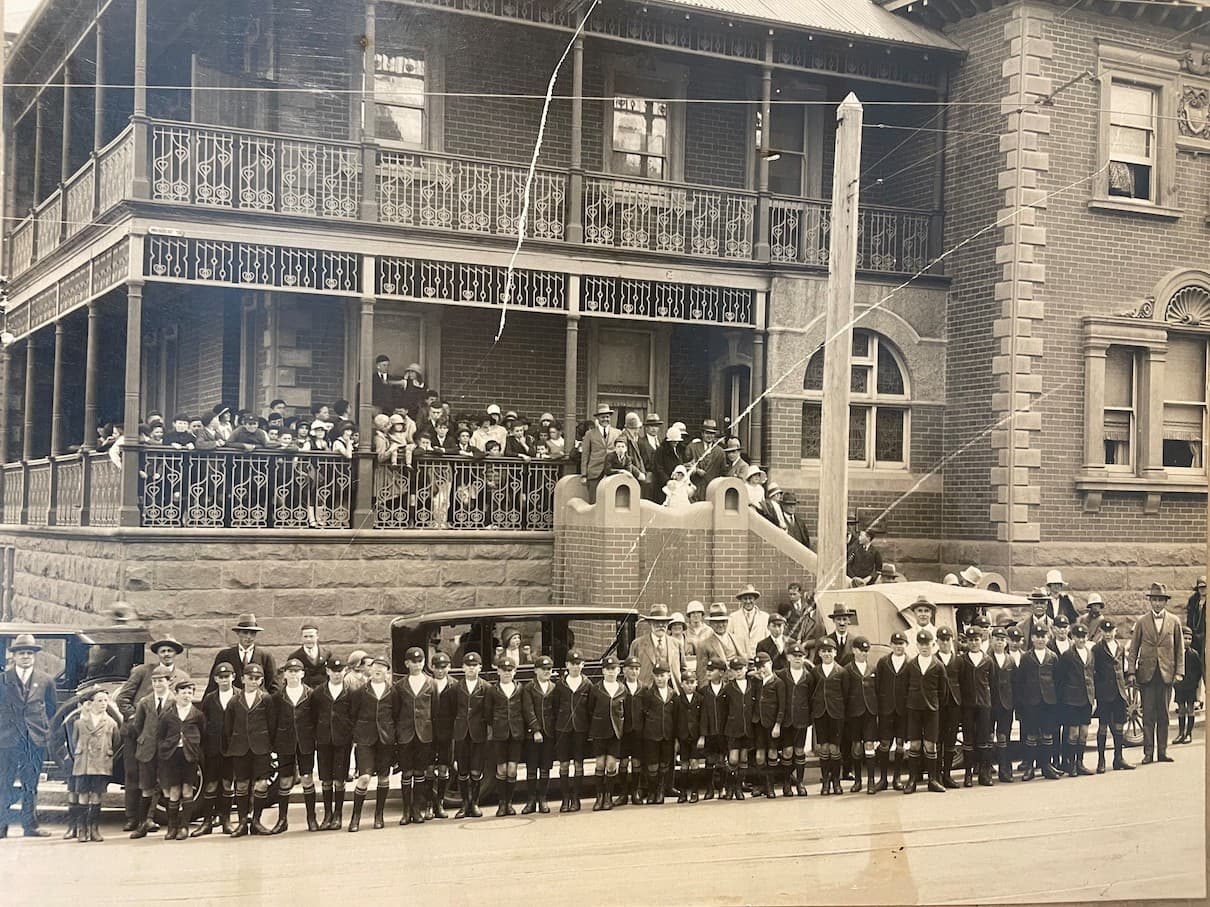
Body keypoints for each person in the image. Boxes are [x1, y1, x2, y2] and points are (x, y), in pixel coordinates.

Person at [115, 634, 189, 831]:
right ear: (157, 653)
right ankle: (132, 818)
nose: (166, 654)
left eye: (170, 651)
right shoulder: (142, 672)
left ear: (175, 654)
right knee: (134, 776)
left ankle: (149, 818)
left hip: (164, 738)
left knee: (160, 777)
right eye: (162, 651)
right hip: (137, 734)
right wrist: (136, 720)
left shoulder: (182, 677)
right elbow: (122, 698)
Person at [1130, 582, 1185, 764]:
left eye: (1160, 600)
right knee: (1148, 715)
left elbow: (1179, 649)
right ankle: (1148, 753)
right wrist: (1131, 672)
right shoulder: (1142, 621)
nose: (1157, 604)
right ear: (1150, 601)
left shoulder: (1174, 622)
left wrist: (1179, 672)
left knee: (1164, 715)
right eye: (1154, 600)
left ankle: (1162, 751)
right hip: (1146, 674)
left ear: (1165, 602)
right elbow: (1133, 648)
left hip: (1166, 674)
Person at [347, 657, 396, 832]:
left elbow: (395, 715)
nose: (378, 670)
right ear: (370, 669)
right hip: (365, 740)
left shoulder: (393, 692)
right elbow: (352, 715)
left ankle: (379, 816)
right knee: (364, 778)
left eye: (383, 668)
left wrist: (391, 735)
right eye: (375, 667)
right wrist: (358, 734)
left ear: (387, 672)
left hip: (385, 739)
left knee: (383, 778)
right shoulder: (359, 692)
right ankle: (355, 818)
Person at [270, 659, 318, 833]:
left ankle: (311, 818)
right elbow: (273, 722)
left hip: (305, 742)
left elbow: (315, 718)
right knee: (285, 780)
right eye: (290, 672)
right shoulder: (278, 697)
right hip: (285, 742)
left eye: (297, 671)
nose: (293, 675)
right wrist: (274, 743)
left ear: (302, 674)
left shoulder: (311, 694)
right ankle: (282, 820)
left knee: (307, 778)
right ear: (285, 674)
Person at [68, 686, 121, 843]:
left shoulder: (111, 723)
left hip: (101, 765)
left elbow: (116, 742)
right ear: (90, 703)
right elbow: (74, 742)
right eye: (99, 701)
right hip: (83, 764)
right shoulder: (79, 723)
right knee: (83, 795)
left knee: (97, 796)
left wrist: (106, 754)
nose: (103, 704)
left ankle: (94, 830)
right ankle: (82, 829)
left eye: (106, 700)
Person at [127, 664, 174, 839]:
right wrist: (146, 740)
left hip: (167, 752)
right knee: (146, 788)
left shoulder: (174, 701)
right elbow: (138, 726)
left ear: (169, 682)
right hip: (147, 751)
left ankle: (172, 827)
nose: (157, 684)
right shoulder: (145, 702)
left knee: (168, 789)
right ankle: (143, 824)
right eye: (154, 681)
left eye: (161, 681)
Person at [156, 678, 205, 841]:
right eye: (183, 692)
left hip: (189, 756)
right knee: (174, 791)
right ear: (176, 694)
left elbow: (203, 734)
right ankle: (172, 827)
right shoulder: (168, 715)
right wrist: (165, 748)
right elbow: (160, 734)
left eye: (190, 693)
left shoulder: (197, 714)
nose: (186, 696)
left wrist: (195, 748)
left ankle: (184, 826)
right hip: (173, 756)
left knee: (187, 790)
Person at [394, 647, 438, 825]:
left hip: (424, 734)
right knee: (406, 773)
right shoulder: (400, 685)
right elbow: (396, 712)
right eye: (414, 662)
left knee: (420, 772)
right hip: (405, 734)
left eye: (420, 661)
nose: (417, 665)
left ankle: (416, 810)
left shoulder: (431, 683)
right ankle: (405, 812)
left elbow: (435, 710)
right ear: (407, 664)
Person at [194, 664, 237, 837]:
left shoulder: (239, 696)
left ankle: (226, 820)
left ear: (233, 677)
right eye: (221, 677)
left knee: (228, 784)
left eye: (227, 676)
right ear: (216, 679)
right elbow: (203, 724)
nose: (224, 680)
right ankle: (207, 822)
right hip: (212, 749)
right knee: (210, 785)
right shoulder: (210, 699)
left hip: (233, 749)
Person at [313, 657, 354, 830]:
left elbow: (354, 715)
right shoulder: (319, 692)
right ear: (327, 671)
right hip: (324, 740)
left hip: (342, 741)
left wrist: (349, 735)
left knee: (339, 779)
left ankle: (338, 815)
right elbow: (313, 716)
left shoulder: (351, 692)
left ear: (344, 671)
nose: (337, 674)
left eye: (340, 671)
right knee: (326, 780)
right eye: (334, 671)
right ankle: (328, 814)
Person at [903, 630, 946, 794]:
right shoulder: (911, 665)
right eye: (921, 644)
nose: (924, 647)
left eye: (927, 644)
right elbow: (905, 687)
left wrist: (935, 705)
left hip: (931, 709)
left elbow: (943, 691)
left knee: (930, 745)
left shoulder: (938, 665)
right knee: (914, 744)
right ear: (917, 646)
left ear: (932, 645)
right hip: (914, 708)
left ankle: (933, 780)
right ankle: (913, 779)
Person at [1017, 625, 1061, 781]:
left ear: (1047, 638)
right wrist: (1022, 704)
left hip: (1049, 702)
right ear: (1033, 638)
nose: (1041, 639)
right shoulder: (1026, 658)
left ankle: (1046, 766)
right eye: (1037, 636)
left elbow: (1057, 680)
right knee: (1031, 735)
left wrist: (1057, 702)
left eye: (1043, 636)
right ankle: (1029, 767)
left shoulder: (1053, 657)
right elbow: (1020, 681)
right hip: (1031, 702)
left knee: (1048, 734)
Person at [1055, 625, 1097, 777]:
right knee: (1072, 733)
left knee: (1084, 733)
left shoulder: (1090, 653)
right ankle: (1070, 764)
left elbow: (1092, 676)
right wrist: (1063, 700)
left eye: (1084, 636)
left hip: (1086, 698)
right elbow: (1060, 679)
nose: (1081, 639)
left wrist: (1094, 698)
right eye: (1078, 637)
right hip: (1071, 699)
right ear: (1072, 638)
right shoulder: (1067, 655)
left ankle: (1080, 763)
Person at [553, 650, 592, 812]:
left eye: (578, 664)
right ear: (566, 665)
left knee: (578, 763)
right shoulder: (560, 685)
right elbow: (555, 707)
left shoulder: (587, 684)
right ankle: (565, 798)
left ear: (583, 665)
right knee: (563, 764)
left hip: (580, 729)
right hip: (563, 728)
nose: (575, 667)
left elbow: (590, 708)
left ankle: (576, 798)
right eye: (572, 664)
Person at [452, 652, 490, 819]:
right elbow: (452, 710)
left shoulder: (486, 687)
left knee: (476, 771)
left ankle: (474, 803)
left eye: (474, 665)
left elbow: (488, 712)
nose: (471, 668)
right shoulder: (455, 688)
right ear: (463, 668)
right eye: (468, 665)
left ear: (480, 668)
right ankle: (464, 805)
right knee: (462, 771)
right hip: (461, 733)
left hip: (478, 733)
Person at [489, 657, 526, 816]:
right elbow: (487, 712)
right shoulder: (493, 690)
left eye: (510, 671)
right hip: (500, 733)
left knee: (512, 769)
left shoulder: (520, 689)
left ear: (515, 672)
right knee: (501, 769)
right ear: (498, 671)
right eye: (503, 671)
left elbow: (524, 709)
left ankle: (509, 803)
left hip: (516, 733)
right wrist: (496, 725)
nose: (507, 673)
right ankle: (501, 803)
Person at [811, 638, 848, 795]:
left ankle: (836, 781)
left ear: (835, 653)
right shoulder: (815, 672)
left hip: (836, 713)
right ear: (819, 653)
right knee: (824, 748)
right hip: (820, 713)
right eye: (824, 651)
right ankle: (825, 781)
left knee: (835, 748)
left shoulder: (842, 671)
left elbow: (845, 693)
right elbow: (811, 692)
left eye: (830, 651)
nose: (827, 654)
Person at [958, 628, 994, 787]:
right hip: (968, 705)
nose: (973, 643)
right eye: (971, 640)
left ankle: (984, 774)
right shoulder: (962, 660)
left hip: (984, 705)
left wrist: (987, 701)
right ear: (967, 642)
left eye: (976, 640)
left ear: (981, 640)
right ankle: (968, 774)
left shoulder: (988, 660)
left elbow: (991, 683)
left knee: (984, 740)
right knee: (968, 740)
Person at [206, 614, 278, 695]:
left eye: (252, 633)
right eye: (245, 632)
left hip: (257, 704)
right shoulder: (224, 655)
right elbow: (213, 684)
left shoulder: (265, 656)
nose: (249, 637)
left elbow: (273, 686)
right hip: (231, 703)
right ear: (238, 633)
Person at [777, 642, 814, 797]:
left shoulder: (808, 676)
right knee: (787, 751)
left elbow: (811, 698)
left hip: (801, 718)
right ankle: (786, 783)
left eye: (800, 656)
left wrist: (809, 718)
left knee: (799, 751)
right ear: (788, 657)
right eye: (794, 656)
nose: (798, 659)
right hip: (786, 719)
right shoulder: (781, 675)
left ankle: (800, 782)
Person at [589, 656, 626, 811]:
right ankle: (599, 797)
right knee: (600, 763)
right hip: (599, 731)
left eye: (614, 669)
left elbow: (624, 711)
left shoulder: (622, 689)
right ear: (603, 671)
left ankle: (608, 797)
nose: (611, 672)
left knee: (611, 764)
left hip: (615, 732)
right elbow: (590, 709)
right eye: (608, 669)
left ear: (618, 670)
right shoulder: (596, 688)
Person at [521, 655, 556, 814]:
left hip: (549, 733)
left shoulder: (554, 687)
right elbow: (528, 710)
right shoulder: (529, 688)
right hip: (533, 735)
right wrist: (535, 729)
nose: (546, 672)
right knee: (532, 767)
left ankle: (543, 798)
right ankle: (531, 800)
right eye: (543, 669)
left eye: (549, 669)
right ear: (536, 670)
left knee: (545, 767)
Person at [639, 662, 679, 804]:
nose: (660, 679)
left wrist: (675, 735)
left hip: (667, 734)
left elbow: (675, 716)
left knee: (664, 764)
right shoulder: (648, 694)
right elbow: (643, 713)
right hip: (651, 735)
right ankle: (652, 791)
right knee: (652, 765)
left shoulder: (673, 694)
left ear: (668, 676)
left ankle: (661, 790)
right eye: (657, 676)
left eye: (662, 676)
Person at [844, 636, 879, 794]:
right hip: (854, 714)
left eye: (866, 651)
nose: (864, 653)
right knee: (856, 747)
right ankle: (858, 781)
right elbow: (844, 694)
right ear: (854, 650)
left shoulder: (873, 669)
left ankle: (871, 781)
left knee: (869, 746)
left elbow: (877, 691)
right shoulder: (847, 670)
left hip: (870, 713)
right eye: (861, 650)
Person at [721, 655, 757, 801]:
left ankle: (738, 787)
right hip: (733, 728)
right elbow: (723, 709)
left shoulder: (752, 685)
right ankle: (729, 787)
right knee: (733, 759)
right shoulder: (729, 687)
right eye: (735, 670)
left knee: (743, 758)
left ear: (746, 669)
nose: (738, 672)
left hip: (747, 727)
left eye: (741, 669)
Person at [428, 652, 458, 820]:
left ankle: (439, 803)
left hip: (446, 734)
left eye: (444, 667)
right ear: (432, 668)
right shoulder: (428, 684)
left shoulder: (454, 685)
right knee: (429, 769)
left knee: (443, 769)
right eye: (437, 667)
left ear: (449, 667)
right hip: (429, 732)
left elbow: (456, 711)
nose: (440, 671)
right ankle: (428, 805)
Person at [752, 652, 785, 798]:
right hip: (758, 723)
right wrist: (755, 674)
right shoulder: (756, 682)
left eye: (764, 666)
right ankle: (762, 785)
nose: (761, 670)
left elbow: (782, 707)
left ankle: (770, 786)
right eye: (758, 667)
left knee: (772, 754)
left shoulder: (778, 682)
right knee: (759, 756)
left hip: (772, 724)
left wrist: (777, 724)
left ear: (770, 664)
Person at [933, 627, 963, 789]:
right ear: (937, 641)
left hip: (954, 704)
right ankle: (936, 775)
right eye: (942, 639)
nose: (945, 642)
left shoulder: (958, 660)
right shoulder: (932, 659)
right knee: (938, 740)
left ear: (952, 640)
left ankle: (947, 774)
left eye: (947, 639)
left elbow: (963, 683)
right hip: (938, 705)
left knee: (951, 741)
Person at [632, 603, 685, 690]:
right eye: (657, 622)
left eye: (664, 622)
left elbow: (683, 670)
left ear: (668, 623)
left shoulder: (676, 644)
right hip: (646, 693)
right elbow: (631, 670)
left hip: (672, 695)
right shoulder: (637, 644)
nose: (660, 625)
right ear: (650, 623)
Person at [989, 626, 1017, 782]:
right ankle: (986, 769)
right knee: (988, 736)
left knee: (1003, 736)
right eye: (997, 639)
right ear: (992, 640)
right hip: (990, 703)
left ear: (1006, 642)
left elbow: (1015, 683)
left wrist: (1014, 702)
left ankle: (1004, 769)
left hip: (1006, 704)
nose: (999, 643)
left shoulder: (1010, 659)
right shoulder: (986, 658)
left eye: (1002, 640)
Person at [579, 404, 621, 503]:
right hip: (594, 473)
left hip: (612, 472)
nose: (605, 419)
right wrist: (584, 475)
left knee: (611, 502)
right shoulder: (590, 434)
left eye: (607, 417)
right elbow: (585, 455)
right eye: (602, 417)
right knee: (594, 502)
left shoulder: (617, 433)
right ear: (598, 418)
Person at [675, 670, 705, 803]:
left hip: (695, 736)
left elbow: (703, 719)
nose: (689, 686)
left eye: (692, 683)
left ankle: (694, 791)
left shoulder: (700, 699)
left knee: (694, 763)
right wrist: (676, 738)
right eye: (686, 683)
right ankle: (682, 792)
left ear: (696, 683)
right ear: (682, 684)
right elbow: (674, 721)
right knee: (684, 765)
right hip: (682, 736)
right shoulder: (677, 700)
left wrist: (702, 736)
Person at [697, 602, 741, 685]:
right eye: (716, 622)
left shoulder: (736, 639)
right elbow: (702, 674)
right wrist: (707, 694)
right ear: (710, 624)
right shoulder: (704, 645)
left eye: (723, 621)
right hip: (717, 688)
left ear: (727, 622)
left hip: (736, 687)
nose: (721, 625)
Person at [1174, 626, 1202, 745]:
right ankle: (1180, 733)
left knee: (1190, 709)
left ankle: (1188, 733)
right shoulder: (1176, 653)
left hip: (1190, 687)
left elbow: (1199, 671)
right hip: (1180, 686)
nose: (1187, 641)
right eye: (1185, 638)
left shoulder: (1194, 654)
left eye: (1189, 639)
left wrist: (1196, 685)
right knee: (1181, 709)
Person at [687, 419, 725, 502]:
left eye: (712, 433)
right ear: (702, 434)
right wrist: (696, 470)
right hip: (695, 491)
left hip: (712, 491)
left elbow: (723, 473)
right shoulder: (692, 447)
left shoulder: (720, 452)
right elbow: (685, 466)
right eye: (707, 433)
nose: (709, 436)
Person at [728, 584, 769, 661]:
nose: (748, 601)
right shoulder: (733, 618)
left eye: (750, 598)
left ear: (755, 599)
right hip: (740, 661)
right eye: (745, 599)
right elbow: (729, 641)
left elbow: (768, 641)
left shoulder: (765, 617)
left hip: (760, 660)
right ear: (741, 600)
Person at [288, 623, 333, 689]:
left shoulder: (326, 654)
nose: (308, 639)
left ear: (317, 636)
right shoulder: (295, 656)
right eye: (305, 636)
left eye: (311, 636)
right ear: (301, 638)